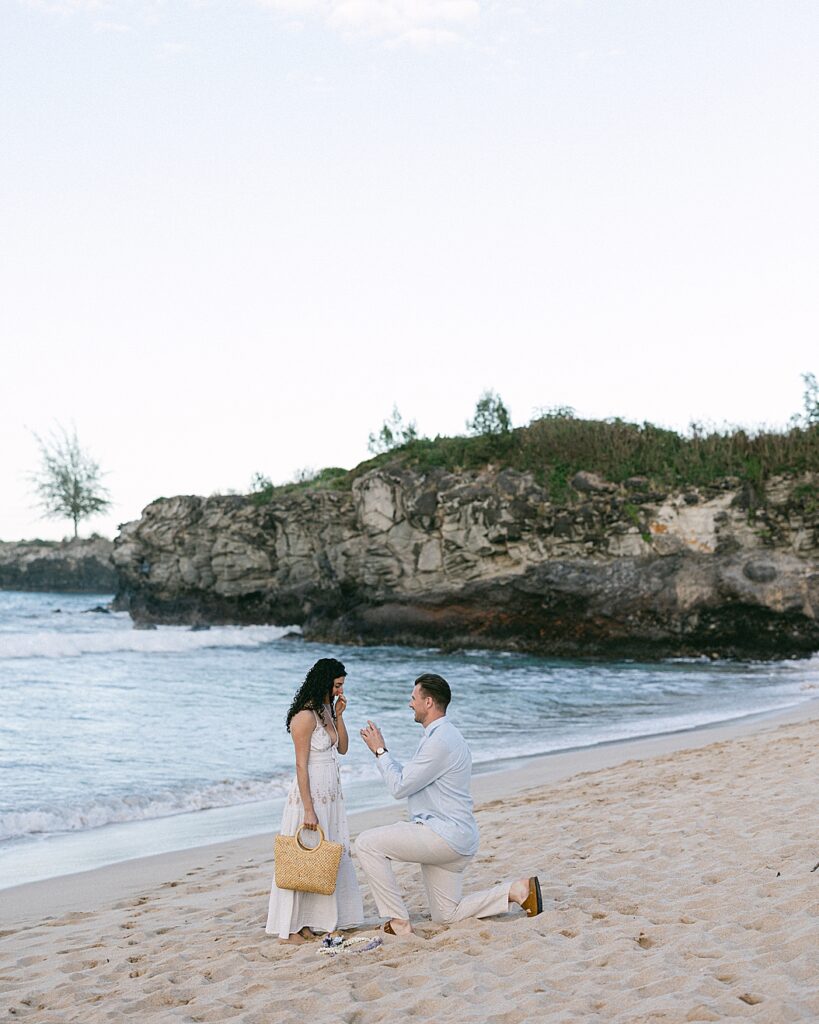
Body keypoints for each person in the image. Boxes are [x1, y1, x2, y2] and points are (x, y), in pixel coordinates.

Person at [356, 672, 542, 935]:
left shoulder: (440, 741)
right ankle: (517, 891)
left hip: (443, 837)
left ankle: (397, 922)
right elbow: (407, 779)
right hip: (455, 837)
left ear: (428, 702)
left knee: (366, 843)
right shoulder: (444, 736)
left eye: (413, 698)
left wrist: (380, 751)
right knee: (446, 915)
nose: (410, 703)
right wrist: (383, 754)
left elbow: (399, 787)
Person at [266, 658, 363, 943]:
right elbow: (300, 766)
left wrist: (340, 715)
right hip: (310, 797)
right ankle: (290, 927)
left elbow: (342, 748)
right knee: (300, 859)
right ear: (324, 682)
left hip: (332, 797)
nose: (340, 691)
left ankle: (309, 921)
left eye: (341, 686)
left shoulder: (326, 711)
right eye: (336, 685)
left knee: (324, 858)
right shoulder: (305, 716)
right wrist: (308, 808)